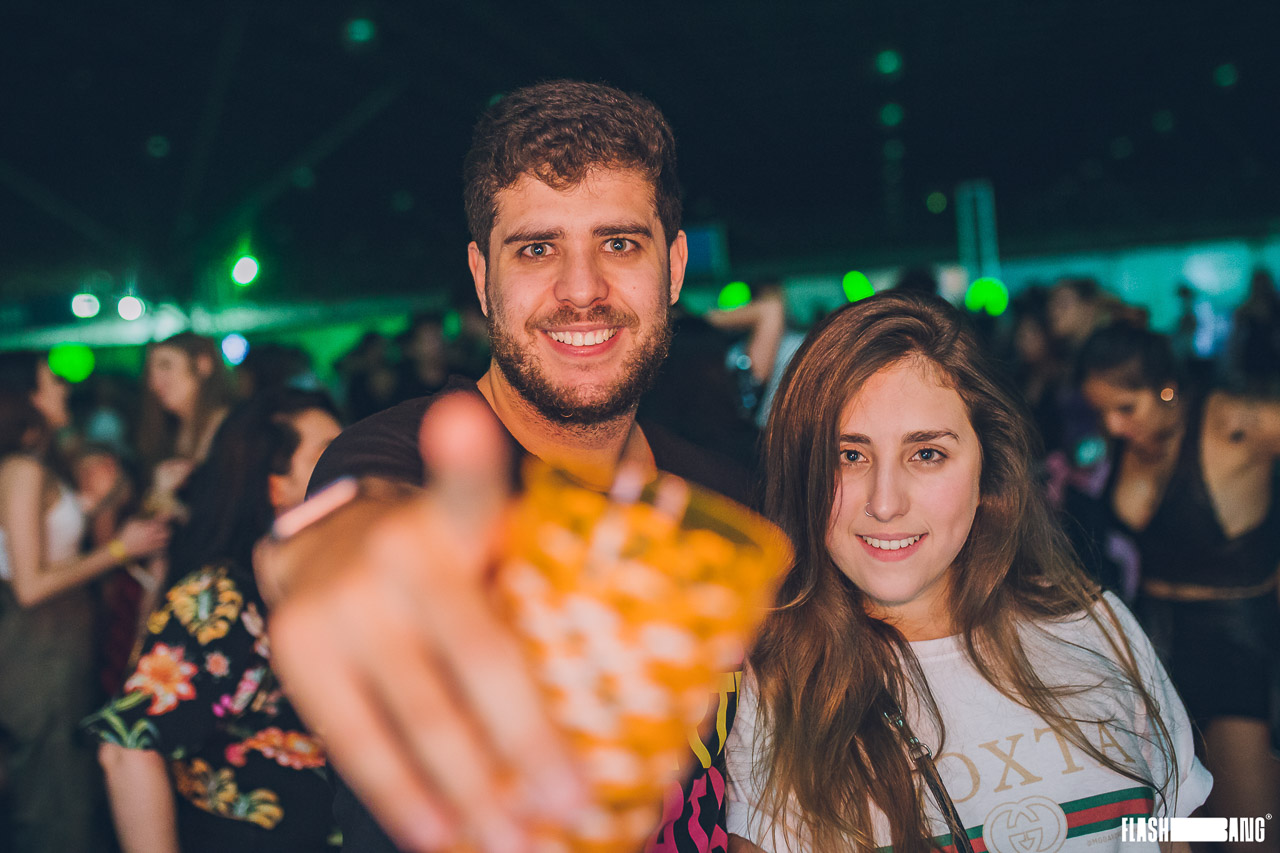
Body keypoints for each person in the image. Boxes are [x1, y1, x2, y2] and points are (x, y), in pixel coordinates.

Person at [259, 79, 750, 853]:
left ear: (676, 266)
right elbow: (357, 526)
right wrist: (347, 558)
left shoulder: (726, 495)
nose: (582, 290)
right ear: (483, 277)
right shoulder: (405, 457)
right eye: (537, 248)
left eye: (620, 243)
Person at [724, 293, 1210, 852]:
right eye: (849, 456)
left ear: (988, 470)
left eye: (926, 453)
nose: (885, 504)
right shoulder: (776, 685)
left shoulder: (1094, 622)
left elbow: (1180, 833)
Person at [84, 390, 343, 853]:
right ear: (275, 487)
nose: (354, 465)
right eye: (330, 454)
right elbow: (127, 750)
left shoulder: (338, 576)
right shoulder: (221, 595)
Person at [1078, 321, 1280, 843]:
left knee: (1247, 830)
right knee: (1164, 831)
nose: (1113, 426)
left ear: (1167, 390)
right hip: (1153, 645)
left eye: (1126, 408)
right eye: (1101, 412)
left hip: (1233, 642)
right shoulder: (1125, 442)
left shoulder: (1233, 423)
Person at [0, 351, 169, 853]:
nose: (64, 389)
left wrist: (106, 505)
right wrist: (121, 549)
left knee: (62, 788)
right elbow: (30, 585)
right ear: (25, 398)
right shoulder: (23, 469)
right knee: (54, 800)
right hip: (38, 647)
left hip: (56, 642)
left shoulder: (37, 464)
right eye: (52, 382)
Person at [136, 331, 235, 517]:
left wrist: (169, 504)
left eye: (165, 366)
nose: (155, 382)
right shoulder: (169, 431)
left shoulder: (233, 428)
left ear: (203, 365)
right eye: (151, 372)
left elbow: (234, 516)